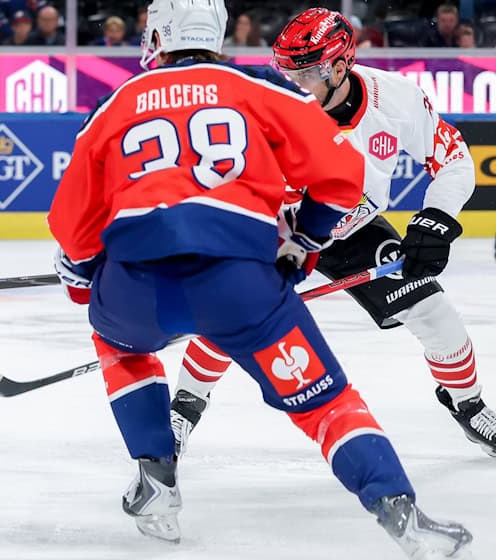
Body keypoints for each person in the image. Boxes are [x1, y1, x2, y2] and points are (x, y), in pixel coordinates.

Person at [48, 0, 472, 557]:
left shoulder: (112, 104)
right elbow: (341, 178)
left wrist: (83, 279)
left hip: (141, 280)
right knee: (323, 399)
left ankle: (154, 475)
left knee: (121, 344)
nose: (299, 77)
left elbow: (73, 223)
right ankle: (399, 509)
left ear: (157, 36)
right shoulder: (260, 90)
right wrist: (304, 241)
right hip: (247, 272)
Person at [170, 7, 495, 461]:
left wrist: (436, 219)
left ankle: (469, 405)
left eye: (305, 73)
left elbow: (453, 158)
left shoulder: (394, 99)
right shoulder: (263, 107)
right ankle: (182, 410)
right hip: (277, 230)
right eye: (287, 70)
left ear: (341, 67)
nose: (292, 83)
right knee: (229, 317)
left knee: (435, 314)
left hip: (354, 229)